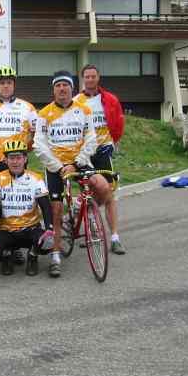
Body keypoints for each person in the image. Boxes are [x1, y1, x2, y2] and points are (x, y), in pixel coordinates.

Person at [34, 71, 102, 276]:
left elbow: (91, 139)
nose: (62, 89)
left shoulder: (84, 109)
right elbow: (39, 145)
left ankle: (82, 205)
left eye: (65, 85)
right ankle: (55, 256)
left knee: (102, 186)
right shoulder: (44, 114)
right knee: (55, 210)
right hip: (56, 167)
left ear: (72, 88)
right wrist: (59, 166)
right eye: (58, 86)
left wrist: (77, 162)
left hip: (79, 162)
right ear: (53, 89)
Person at [74, 64, 125, 254]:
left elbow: (118, 121)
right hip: (85, 153)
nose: (90, 80)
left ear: (98, 78)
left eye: (93, 76)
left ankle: (115, 237)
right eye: (86, 77)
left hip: (103, 151)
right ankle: (92, 232)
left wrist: (114, 141)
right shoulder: (76, 101)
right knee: (88, 194)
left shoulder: (110, 99)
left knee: (109, 195)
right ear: (82, 79)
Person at [0, 141, 55, 277]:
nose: (15, 162)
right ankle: (7, 254)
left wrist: (50, 229)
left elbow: (46, 206)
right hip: (6, 230)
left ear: (25, 159)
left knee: (47, 241)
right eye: (11, 158)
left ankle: (33, 255)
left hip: (30, 229)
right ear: (5, 160)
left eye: (18, 157)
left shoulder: (35, 178)